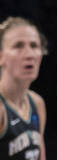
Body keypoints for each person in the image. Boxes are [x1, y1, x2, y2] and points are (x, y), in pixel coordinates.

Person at [0, 17, 47, 160]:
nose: (29, 54)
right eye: (18, 46)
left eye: (34, 46)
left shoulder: (37, 103)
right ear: (1, 56)